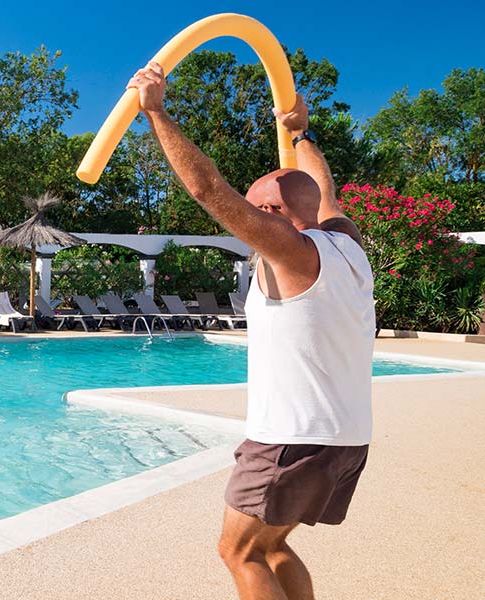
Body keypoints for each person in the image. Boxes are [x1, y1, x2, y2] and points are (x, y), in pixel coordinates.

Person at [129, 62, 373, 600]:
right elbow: (323, 191)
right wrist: (300, 133)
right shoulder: (347, 243)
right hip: (345, 438)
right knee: (274, 547)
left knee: (237, 551)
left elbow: (206, 188)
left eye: (259, 208)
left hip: (291, 436)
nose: (251, 216)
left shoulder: (291, 251)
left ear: (273, 214)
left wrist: (156, 111)